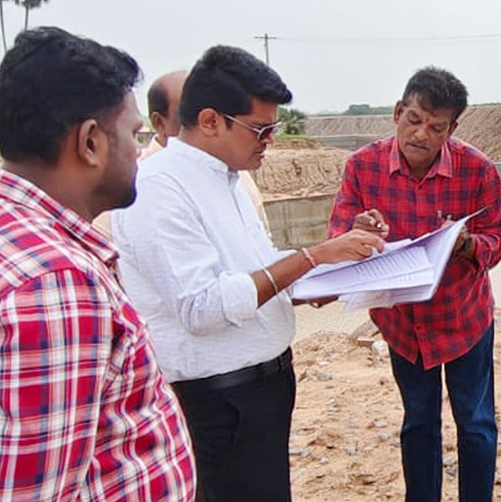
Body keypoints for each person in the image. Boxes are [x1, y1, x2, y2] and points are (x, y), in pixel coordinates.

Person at [113, 45, 385, 501]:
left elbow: (257, 270)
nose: (270, 140)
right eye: (261, 129)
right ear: (210, 121)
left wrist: (329, 271)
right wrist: (312, 257)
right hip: (218, 401)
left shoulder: (229, 177)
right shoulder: (160, 189)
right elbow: (202, 308)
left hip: (263, 388)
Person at [0, 27, 195, 499]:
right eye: (133, 134)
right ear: (90, 142)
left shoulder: (18, 235)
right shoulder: (56, 283)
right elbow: (36, 490)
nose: (139, 151)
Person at [329, 66, 501, 502]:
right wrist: (358, 233)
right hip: (402, 325)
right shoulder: (362, 167)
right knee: (418, 423)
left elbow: (500, 238)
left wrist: (466, 244)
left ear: (452, 129)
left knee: (476, 424)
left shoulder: (477, 170)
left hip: (464, 320)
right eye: (414, 120)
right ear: (397, 112)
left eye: (436, 127)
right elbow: (337, 238)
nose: (421, 135)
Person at [93, 70, 268, 237]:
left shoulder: (236, 176)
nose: (207, 127)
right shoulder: (132, 184)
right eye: (190, 117)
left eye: (214, 118)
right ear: (159, 123)